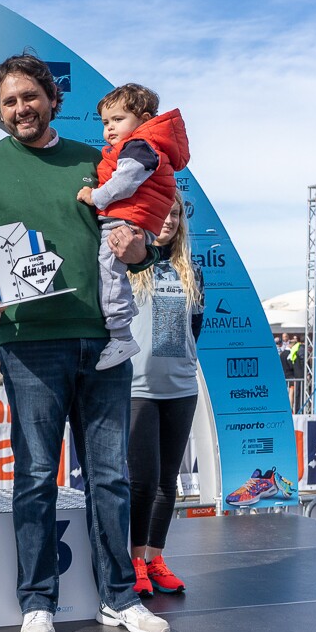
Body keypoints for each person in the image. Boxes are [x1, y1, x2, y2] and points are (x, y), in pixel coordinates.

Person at [0, 54, 169, 632]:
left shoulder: (99, 160)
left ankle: (120, 597)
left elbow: (144, 233)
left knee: (110, 477)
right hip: (29, 345)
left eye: (30, 97)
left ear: (52, 100)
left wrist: (140, 251)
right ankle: (38, 601)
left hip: (103, 343)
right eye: (9, 101)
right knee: (37, 475)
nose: (21, 108)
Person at [76, 84, 190, 370]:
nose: (110, 128)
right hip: (131, 217)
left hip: (126, 220)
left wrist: (95, 196)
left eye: (118, 119)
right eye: (105, 122)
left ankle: (121, 335)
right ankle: (123, 316)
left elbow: (124, 184)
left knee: (109, 271)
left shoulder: (140, 146)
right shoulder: (142, 145)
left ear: (144, 119)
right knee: (112, 273)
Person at [125, 192, 204, 596]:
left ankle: (155, 558)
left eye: (175, 214)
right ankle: (135, 560)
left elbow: (194, 329)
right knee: (142, 482)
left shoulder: (191, 270)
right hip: (137, 389)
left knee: (167, 482)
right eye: (163, 212)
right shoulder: (128, 265)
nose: (169, 220)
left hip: (181, 389)